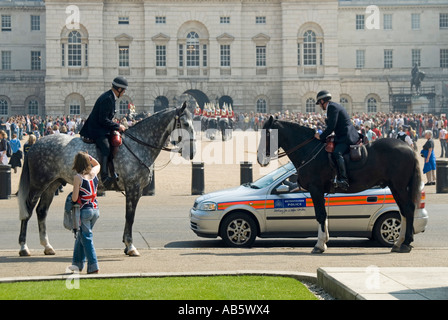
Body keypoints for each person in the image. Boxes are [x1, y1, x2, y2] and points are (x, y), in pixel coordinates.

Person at [79, 77, 127, 188]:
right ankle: (104, 176)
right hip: (96, 129)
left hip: (102, 127)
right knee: (106, 147)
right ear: (119, 89)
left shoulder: (111, 97)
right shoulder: (108, 98)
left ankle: (112, 170)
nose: (124, 92)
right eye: (124, 90)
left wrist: (115, 124)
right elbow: (103, 120)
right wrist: (117, 126)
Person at [314, 90, 359, 190]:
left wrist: (320, 137)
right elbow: (332, 123)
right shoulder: (332, 106)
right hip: (342, 134)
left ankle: (343, 179)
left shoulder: (332, 107)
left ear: (322, 101)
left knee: (337, 153)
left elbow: (331, 127)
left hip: (346, 136)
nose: (320, 106)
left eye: (319, 104)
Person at [68, 152, 101, 274]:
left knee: (86, 238)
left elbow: (75, 198)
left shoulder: (78, 177)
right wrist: (90, 158)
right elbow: (97, 164)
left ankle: (93, 265)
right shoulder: (93, 173)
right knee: (81, 237)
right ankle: (77, 264)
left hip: (85, 211)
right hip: (95, 209)